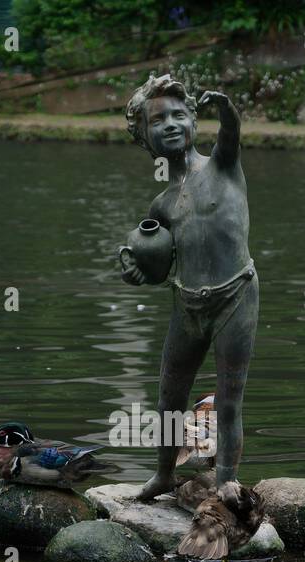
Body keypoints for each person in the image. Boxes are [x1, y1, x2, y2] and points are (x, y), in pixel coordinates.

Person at [120, 74, 257, 500]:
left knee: (229, 397)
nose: (171, 124)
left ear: (196, 122)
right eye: (158, 120)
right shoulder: (161, 205)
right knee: (169, 396)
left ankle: (226, 480)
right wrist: (137, 271)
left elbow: (232, 133)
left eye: (180, 115)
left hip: (235, 296)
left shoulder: (222, 165)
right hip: (186, 303)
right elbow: (158, 265)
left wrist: (227, 108)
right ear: (144, 138)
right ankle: (163, 473)